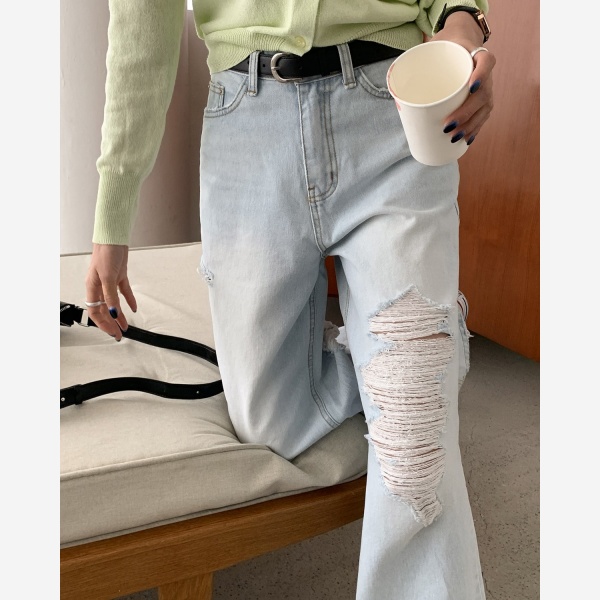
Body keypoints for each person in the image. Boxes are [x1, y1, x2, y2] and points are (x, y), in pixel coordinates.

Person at [84, 1, 496, 598]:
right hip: (245, 125)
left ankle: (413, 366)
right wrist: (112, 214)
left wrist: (462, 23)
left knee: (415, 441)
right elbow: (140, 24)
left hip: (391, 107)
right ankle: (425, 346)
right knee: (267, 422)